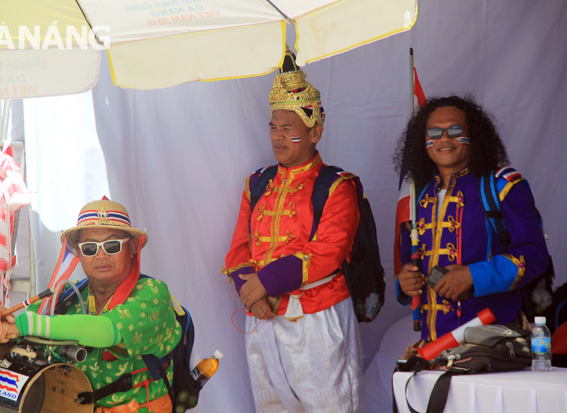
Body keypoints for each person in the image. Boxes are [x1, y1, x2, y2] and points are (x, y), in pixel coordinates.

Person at [223, 47, 363, 412]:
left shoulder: (337, 185)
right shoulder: (256, 183)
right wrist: (250, 291)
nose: (277, 137)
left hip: (316, 317)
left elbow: (329, 251)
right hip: (261, 315)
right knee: (272, 408)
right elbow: (239, 249)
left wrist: (265, 283)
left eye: (289, 128)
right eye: (273, 126)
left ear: (315, 131)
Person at [0, 198, 182, 413]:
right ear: (78, 252)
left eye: (112, 245)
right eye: (89, 247)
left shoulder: (152, 292)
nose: (101, 255)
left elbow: (108, 330)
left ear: (133, 247)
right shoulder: (69, 293)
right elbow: (22, 323)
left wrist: (22, 324)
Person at [394, 95, 550, 344]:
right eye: (434, 131)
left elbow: (534, 256)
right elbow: (408, 261)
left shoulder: (502, 186)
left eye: (455, 129)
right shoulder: (417, 197)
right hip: (432, 343)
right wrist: (405, 282)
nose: (444, 138)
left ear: (474, 134)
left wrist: (473, 276)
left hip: (490, 341)